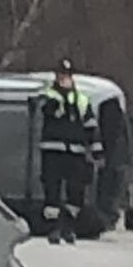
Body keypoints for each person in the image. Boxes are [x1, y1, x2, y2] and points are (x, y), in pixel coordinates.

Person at [39, 58, 97, 244]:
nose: (64, 79)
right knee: (52, 191)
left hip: (76, 152)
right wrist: (59, 103)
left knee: (75, 192)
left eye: (67, 76)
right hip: (53, 151)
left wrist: (96, 149)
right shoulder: (49, 95)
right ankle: (54, 229)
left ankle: (69, 228)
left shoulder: (81, 100)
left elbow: (90, 125)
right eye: (61, 75)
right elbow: (47, 111)